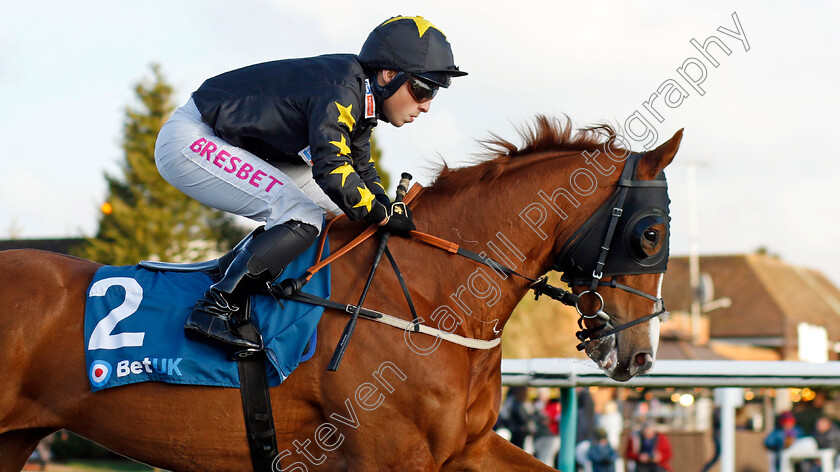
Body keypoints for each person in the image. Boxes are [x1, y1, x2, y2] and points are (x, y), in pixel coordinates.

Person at [154, 16, 466, 353]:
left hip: (230, 141)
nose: (426, 105)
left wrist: (384, 204)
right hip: (192, 137)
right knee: (302, 214)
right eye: (423, 88)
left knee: (340, 215)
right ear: (389, 75)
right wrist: (381, 213)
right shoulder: (342, 90)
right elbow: (332, 170)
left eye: (434, 92)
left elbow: (359, 165)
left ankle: (240, 273)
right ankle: (215, 308)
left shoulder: (361, 95)